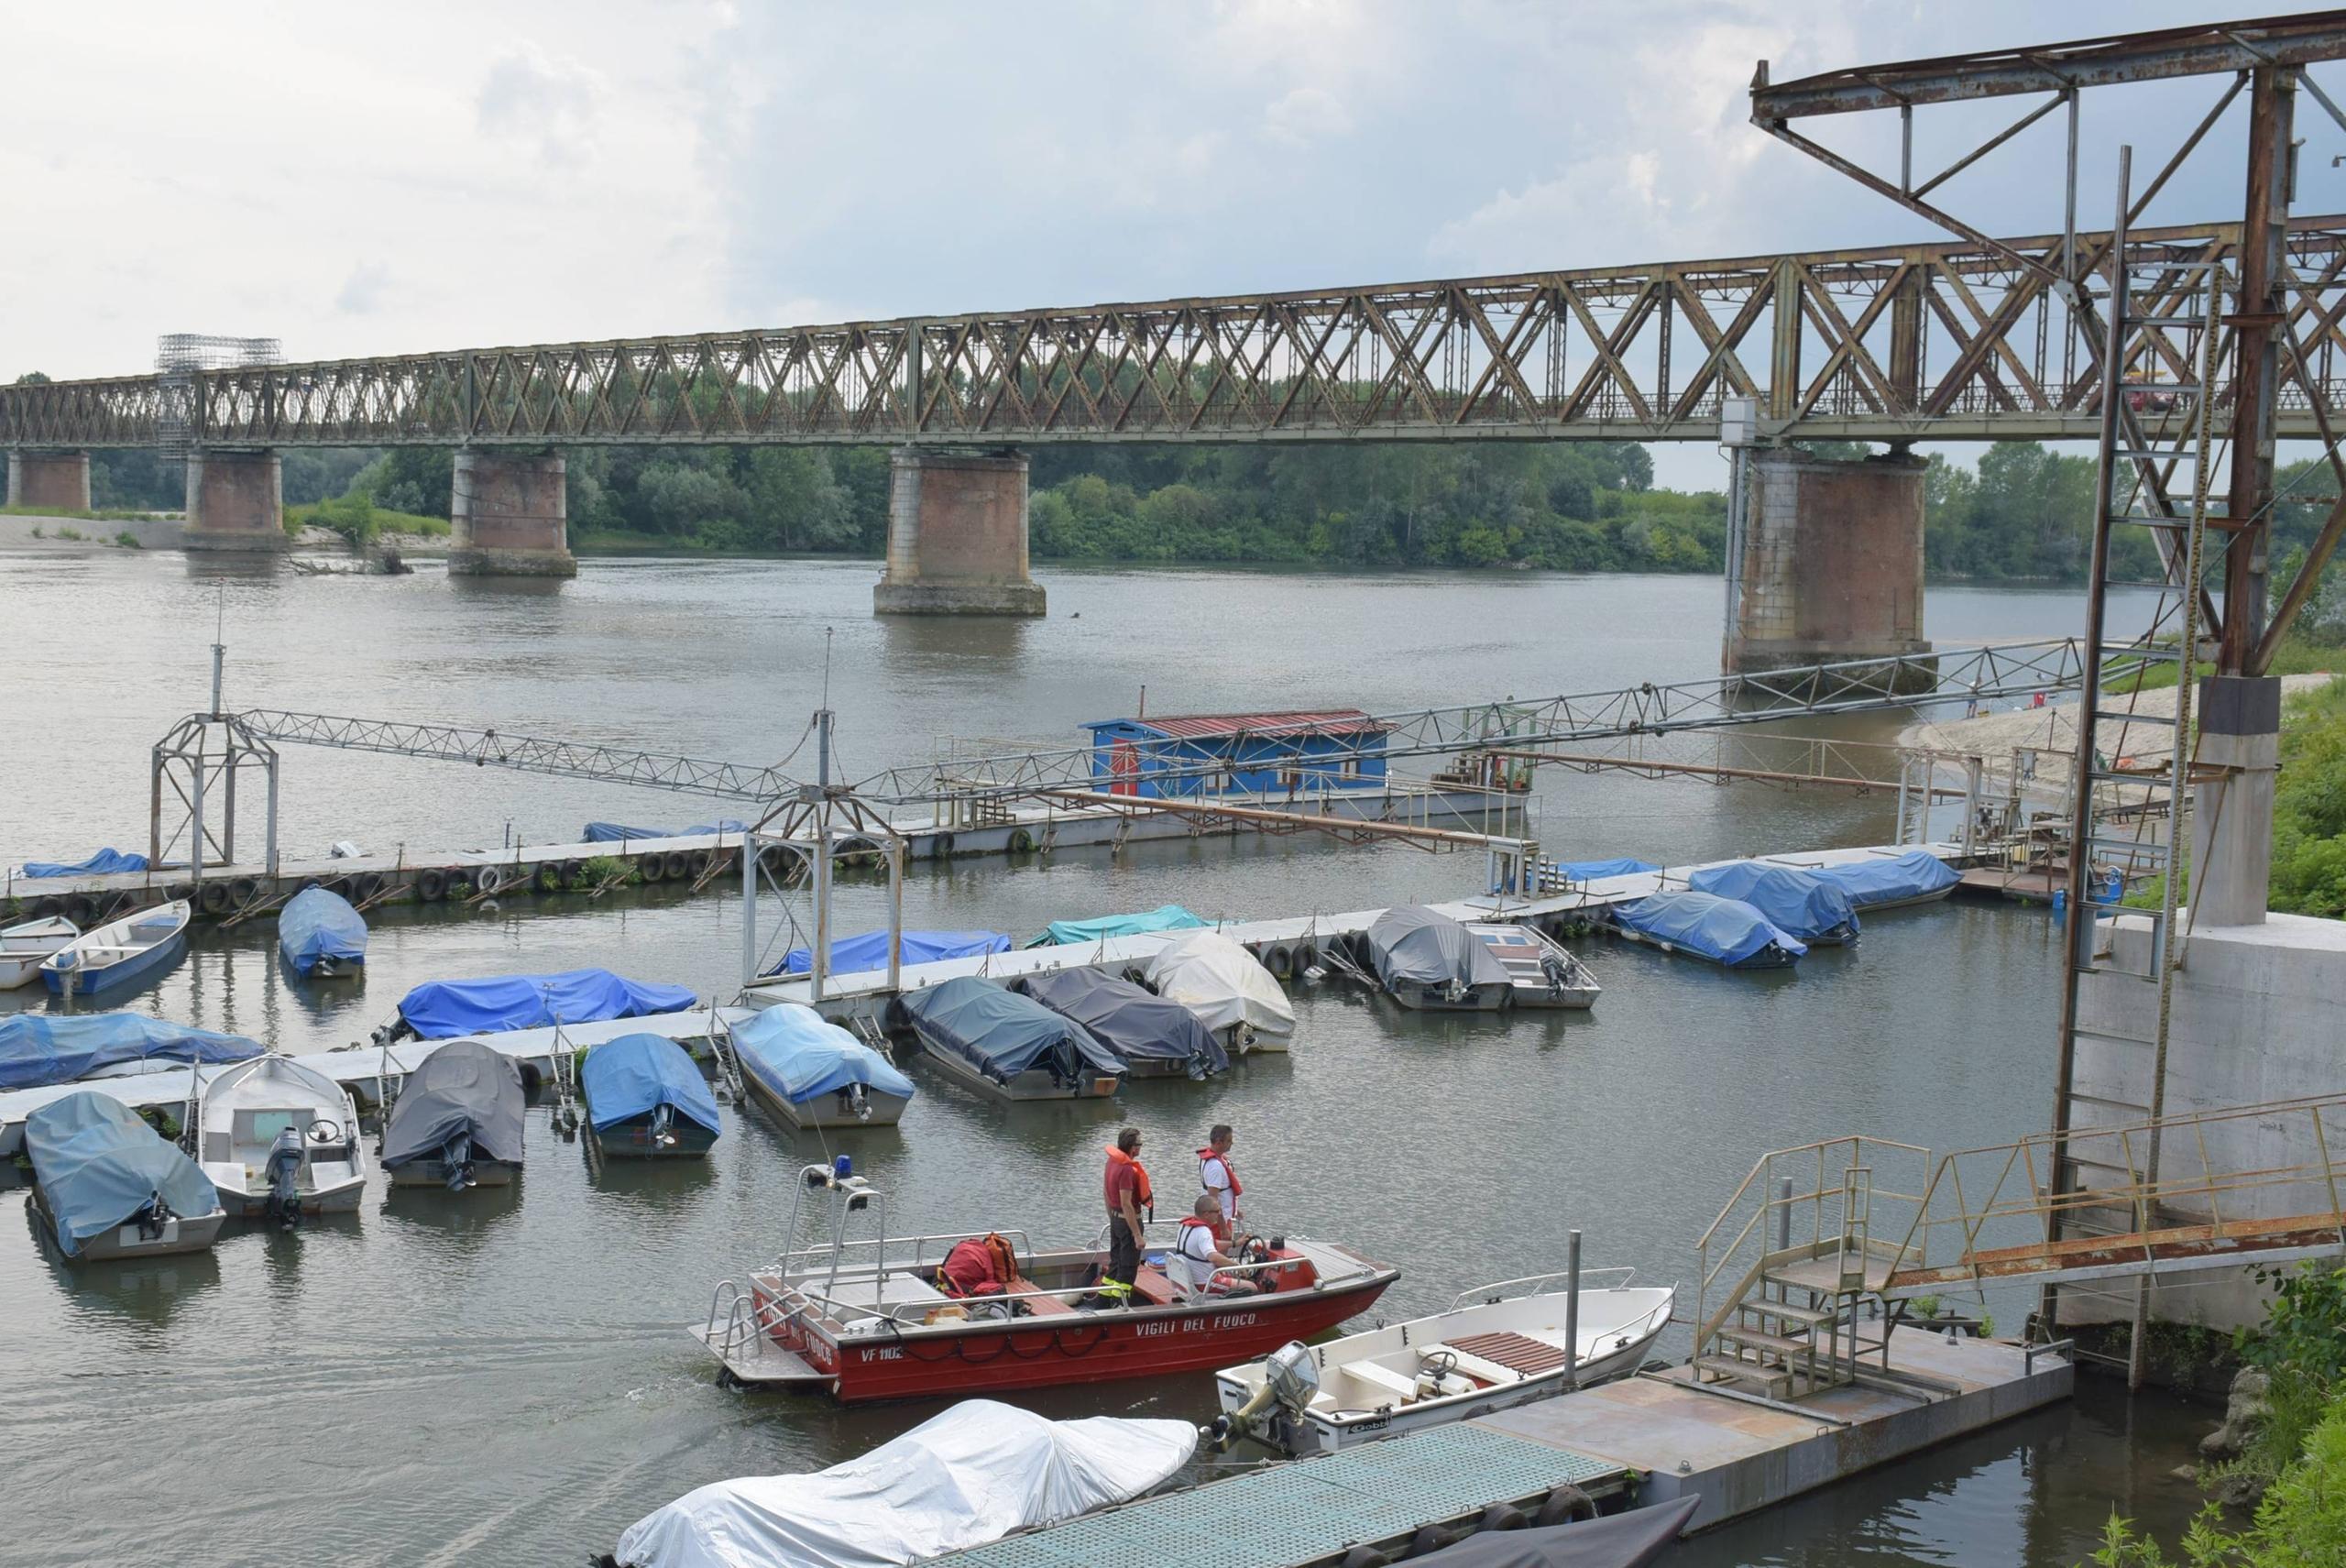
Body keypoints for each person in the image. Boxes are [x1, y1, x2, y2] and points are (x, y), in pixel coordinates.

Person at [1167, 1194, 1243, 1301]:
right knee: (1251, 1287)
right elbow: (1213, 1257)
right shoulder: (1203, 1232)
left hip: (1189, 1279)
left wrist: (1236, 1243)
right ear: (1207, 1214)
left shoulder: (1186, 1226)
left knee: (1228, 1274)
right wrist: (1237, 1266)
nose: (1219, 1214)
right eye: (1217, 1211)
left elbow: (1210, 1244)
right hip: (1204, 1283)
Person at [1102, 1126, 1152, 1290]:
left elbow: (1105, 1192)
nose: (1140, 1147)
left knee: (1115, 1263)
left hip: (1116, 1221)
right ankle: (1119, 1306)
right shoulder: (1126, 1169)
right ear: (1133, 1147)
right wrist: (1137, 1235)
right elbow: (1126, 1203)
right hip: (1129, 1223)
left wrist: (1113, 1218)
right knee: (1128, 1269)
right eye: (1140, 1144)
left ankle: (1103, 1302)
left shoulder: (1112, 1161)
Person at [1198, 1124, 1242, 1236]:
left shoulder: (1216, 1160)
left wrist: (1235, 1210)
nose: (1232, 1143)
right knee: (1220, 1251)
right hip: (1218, 1223)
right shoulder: (1215, 1167)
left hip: (1224, 1217)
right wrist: (1223, 1228)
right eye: (1229, 1141)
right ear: (1219, 1142)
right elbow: (1213, 1200)